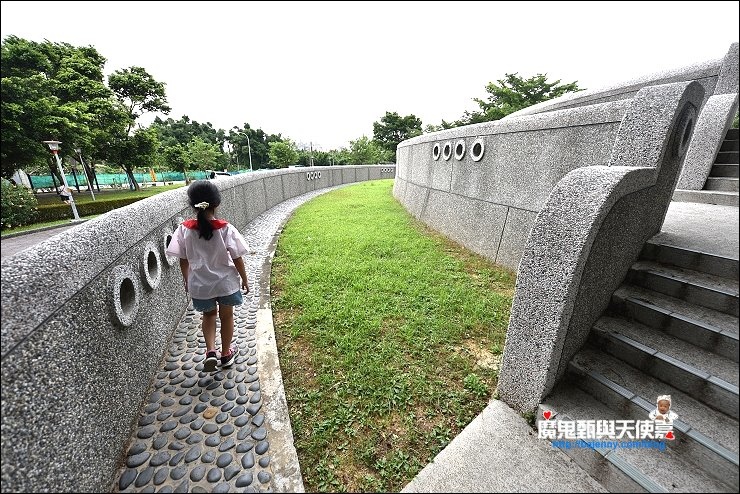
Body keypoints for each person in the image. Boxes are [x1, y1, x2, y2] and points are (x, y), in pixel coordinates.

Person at [166, 180, 250, 372]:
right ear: (217, 203)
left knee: (208, 315)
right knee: (227, 316)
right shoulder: (225, 228)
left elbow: (183, 259)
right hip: (225, 283)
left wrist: (187, 280)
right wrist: (244, 278)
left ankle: (211, 351)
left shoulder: (184, 229)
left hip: (201, 285)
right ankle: (226, 353)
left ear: (192, 203)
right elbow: (237, 257)